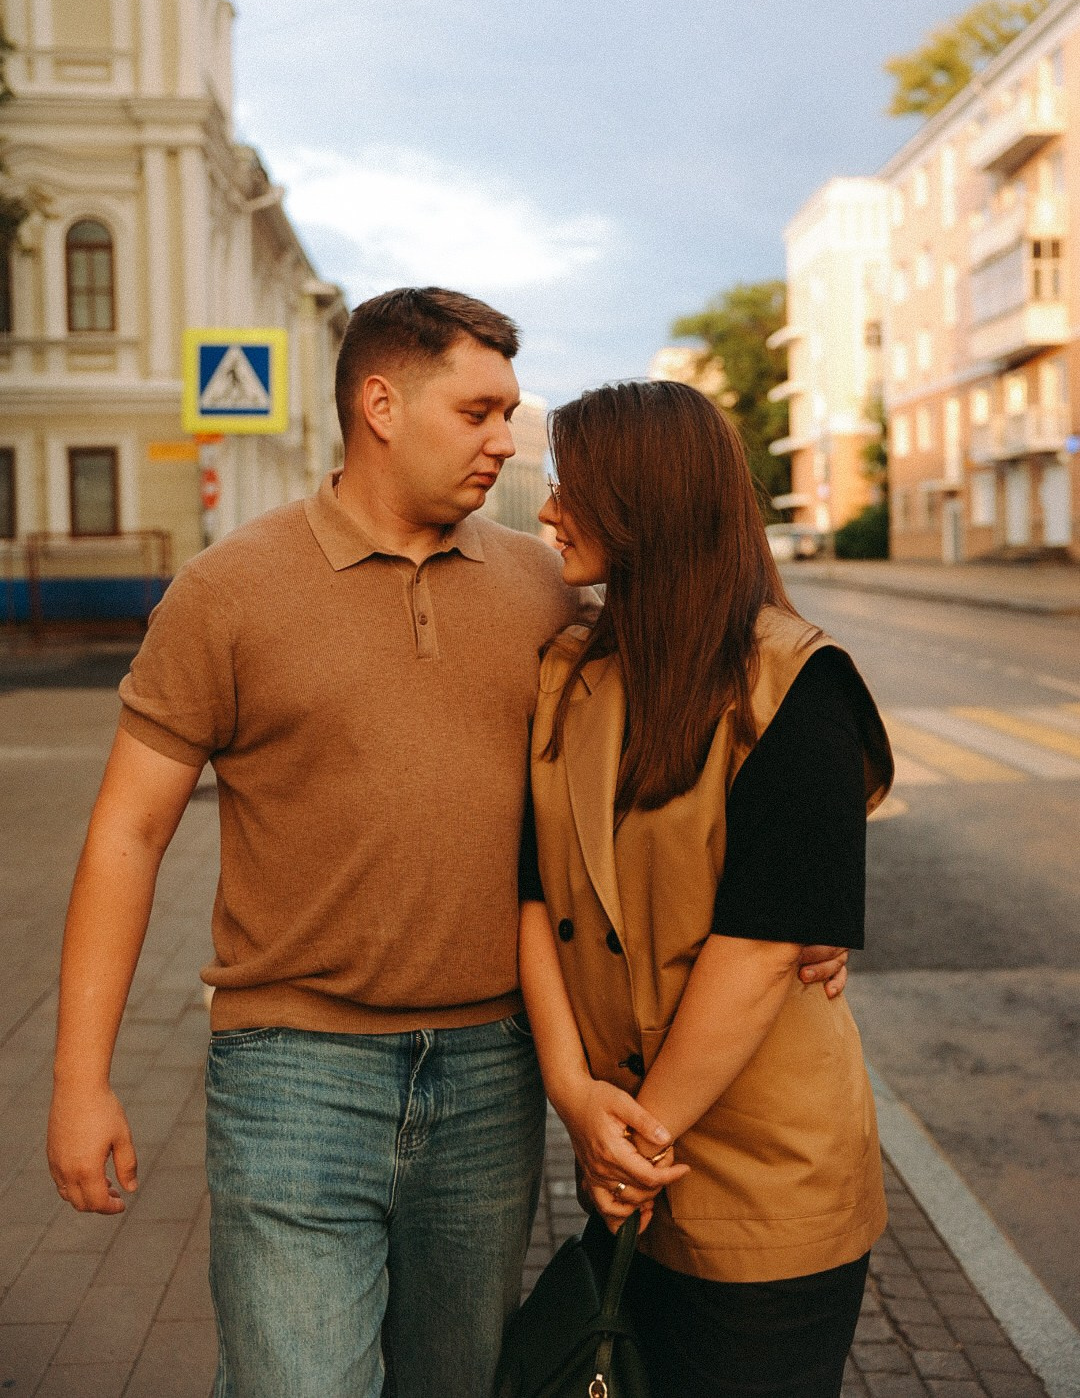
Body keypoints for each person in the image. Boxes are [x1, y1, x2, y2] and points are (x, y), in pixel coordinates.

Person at [47, 289, 853, 1398]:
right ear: (381, 403)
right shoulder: (228, 590)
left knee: (462, 1380)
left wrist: (803, 916)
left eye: (511, 413)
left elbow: (702, 740)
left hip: (492, 1073)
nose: (505, 442)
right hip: (294, 1070)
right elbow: (128, 834)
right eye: (479, 412)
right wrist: (80, 1080)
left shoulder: (546, 588)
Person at [519, 379, 894, 1398]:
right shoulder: (569, 671)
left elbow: (769, 944)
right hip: (629, 1159)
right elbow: (530, 894)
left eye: (571, 487)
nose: (547, 509)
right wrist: (572, 1095)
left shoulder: (798, 685)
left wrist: (631, 1144)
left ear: (651, 503)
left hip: (763, 1176)